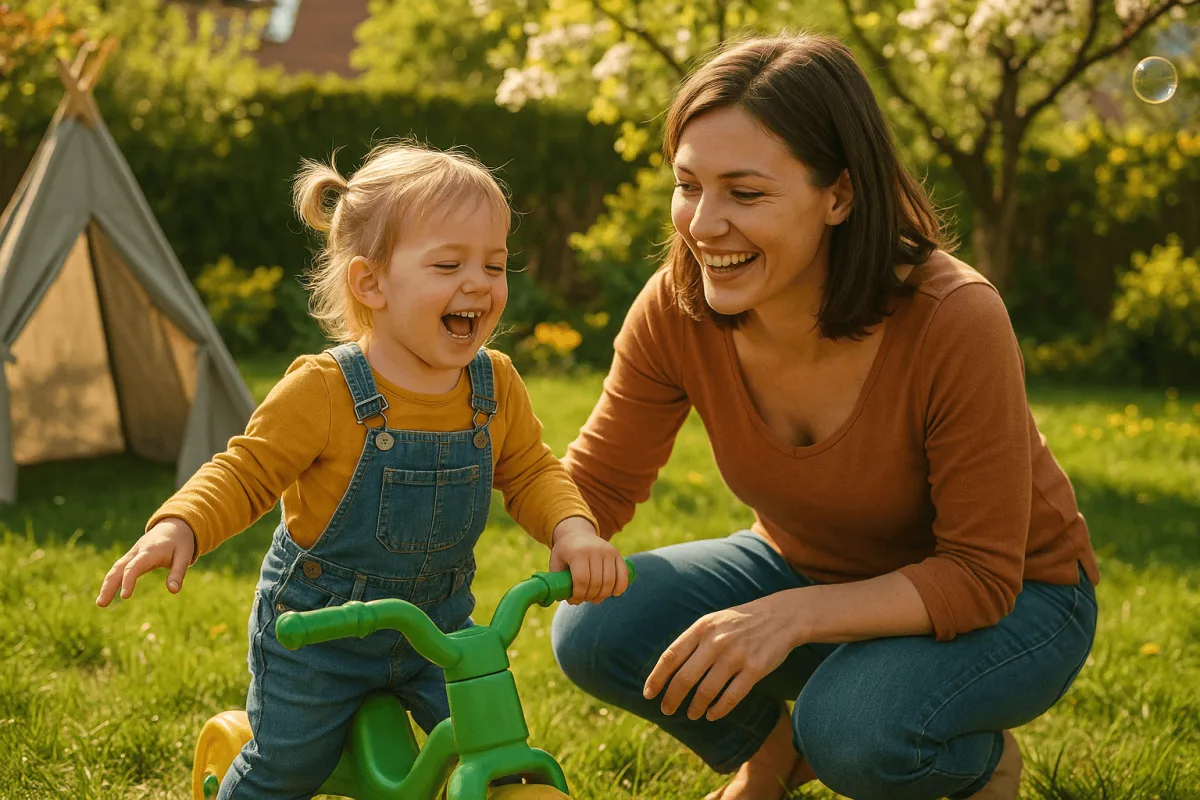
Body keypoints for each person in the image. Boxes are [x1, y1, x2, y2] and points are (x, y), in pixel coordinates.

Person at [550, 34, 1098, 800]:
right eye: (688, 185)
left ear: (838, 195)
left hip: (1017, 601)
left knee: (852, 729)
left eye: (746, 194)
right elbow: (598, 483)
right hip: (804, 567)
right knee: (594, 628)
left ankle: (977, 765)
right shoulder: (677, 308)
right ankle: (772, 756)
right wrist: (535, 513)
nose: (703, 225)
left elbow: (979, 575)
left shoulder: (953, 317)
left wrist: (791, 617)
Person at [95, 140, 629, 798]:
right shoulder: (325, 391)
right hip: (318, 638)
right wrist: (181, 524)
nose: (480, 283)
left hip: (441, 634)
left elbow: (529, 470)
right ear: (370, 282)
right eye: (448, 263)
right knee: (285, 770)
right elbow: (246, 471)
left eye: (495, 264)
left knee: (498, 749)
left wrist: (572, 528)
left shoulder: (495, 385)